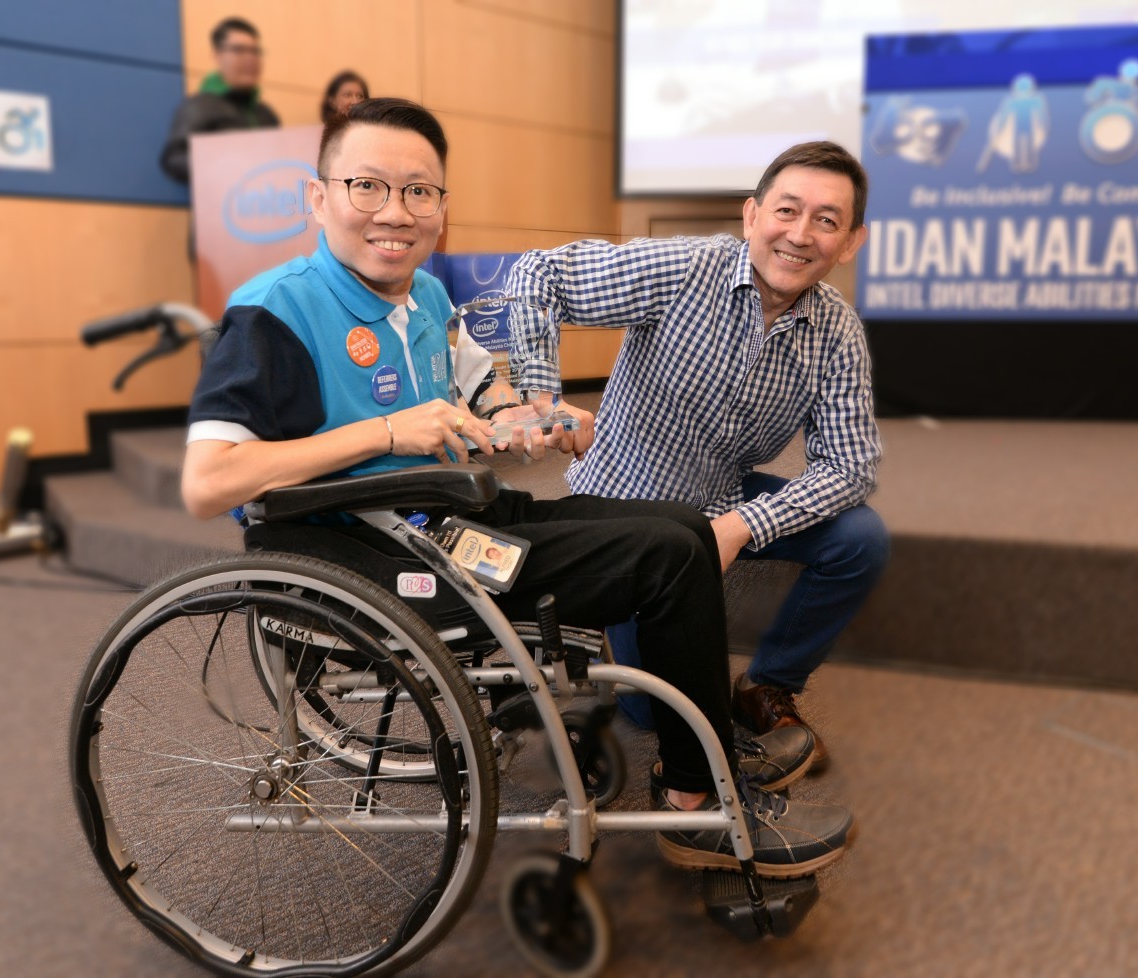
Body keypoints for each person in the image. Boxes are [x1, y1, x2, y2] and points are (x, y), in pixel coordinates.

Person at [180, 98, 853, 877]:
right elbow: (208, 482)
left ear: (440, 207)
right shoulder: (275, 310)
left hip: (455, 518)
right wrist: (387, 434)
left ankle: (694, 764)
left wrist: (527, 414)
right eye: (367, 186)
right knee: (668, 559)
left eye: (418, 192)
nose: (394, 212)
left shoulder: (425, 296)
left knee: (684, 528)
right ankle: (698, 802)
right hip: (365, 550)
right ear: (318, 196)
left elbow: (480, 393)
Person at [506, 140, 890, 770]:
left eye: (826, 220)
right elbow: (536, 274)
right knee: (652, 713)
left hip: (720, 502)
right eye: (786, 211)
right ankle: (607, 620)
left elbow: (850, 465)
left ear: (850, 242)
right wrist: (544, 398)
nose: (800, 234)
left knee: (859, 539)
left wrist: (742, 526)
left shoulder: (837, 330)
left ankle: (769, 683)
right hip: (625, 508)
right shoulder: (687, 269)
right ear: (751, 217)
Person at [159, 17, 281, 185]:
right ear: (217, 55)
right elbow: (173, 159)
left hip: (267, 203)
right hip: (220, 205)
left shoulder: (266, 114)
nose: (250, 58)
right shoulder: (199, 106)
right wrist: (221, 164)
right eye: (239, 50)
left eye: (255, 51)